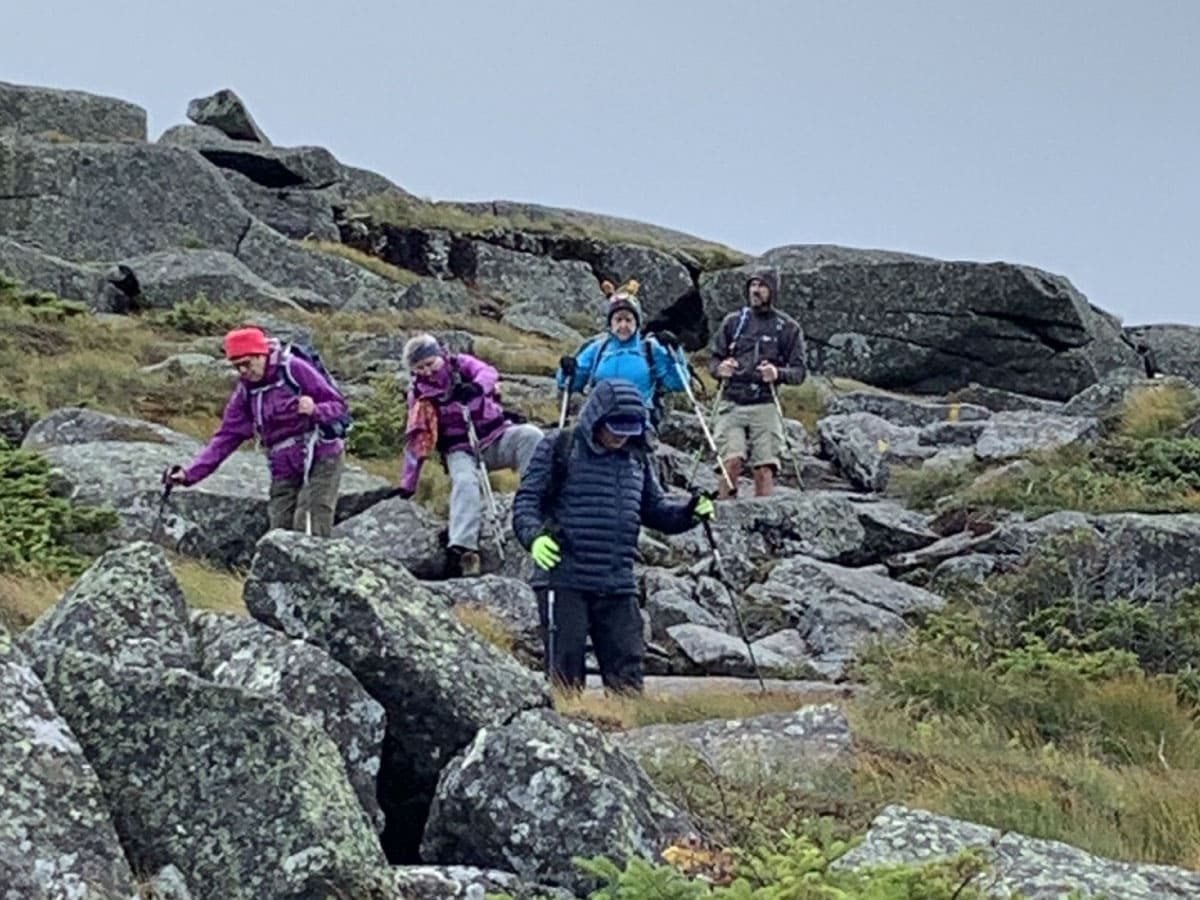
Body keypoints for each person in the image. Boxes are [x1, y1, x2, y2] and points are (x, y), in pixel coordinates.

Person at [512, 378, 715, 693]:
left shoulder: (638, 459)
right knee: (564, 676)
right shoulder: (560, 445)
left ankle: (627, 723)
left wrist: (690, 513)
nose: (621, 436)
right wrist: (534, 538)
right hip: (564, 578)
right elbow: (527, 501)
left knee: (628, 675)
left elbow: (656, 511)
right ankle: (565, 721)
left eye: (630, 429)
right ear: (597, 418)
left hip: (618, 581)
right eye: (615, 428)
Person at [167, 326, 347, 536]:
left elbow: (338, 405)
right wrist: (189, 474)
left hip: (321, 456)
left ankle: (315, 557)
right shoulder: (246, 392)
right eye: (237, 366)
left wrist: (315, 410)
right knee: (278, 531)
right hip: (283, 465)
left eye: (247, 363)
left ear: (261, 355)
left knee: (308, 524)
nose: (243, 371)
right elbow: (227, 436)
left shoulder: (294, 369)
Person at [398, 333, 544, 576]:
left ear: (439, 355)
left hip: (496, 435)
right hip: (459, 450)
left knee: (531, 436)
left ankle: (538, 500)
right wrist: (408, 484)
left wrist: (476, 388)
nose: (427, 371)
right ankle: (462, 548)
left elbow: (487, 372)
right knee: (465, 482)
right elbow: (418, 437)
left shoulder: (460, 365)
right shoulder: (419, 396)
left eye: (430, 363)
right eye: (419, 368)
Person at [707, 266, 806, 499]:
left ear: (773, 290)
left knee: (764, 467)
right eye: (752, 285)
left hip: (765, 404)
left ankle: (763, 516)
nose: (756, 290)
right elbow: (713, 359)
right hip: (731, 402)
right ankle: (725, 513)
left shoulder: (788, 328)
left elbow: (800, 372)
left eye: (762, 285)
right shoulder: (733, 322)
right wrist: (720, 369)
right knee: (731, 461)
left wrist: (777, 373)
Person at [556, 281, 690, 428]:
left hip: (638, 421)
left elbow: (679, 383)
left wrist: (675, 351)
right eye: (618, 320)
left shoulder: (650, 349)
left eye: (628, 320)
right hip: (599, 421)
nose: (623, 325)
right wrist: (567, 369)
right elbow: (570, 383)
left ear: (637, 323)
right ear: (610, 323)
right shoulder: (598, 349)